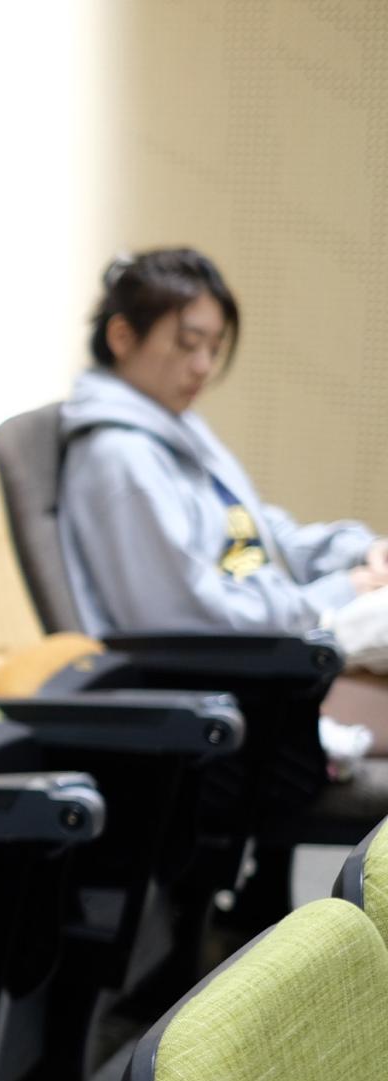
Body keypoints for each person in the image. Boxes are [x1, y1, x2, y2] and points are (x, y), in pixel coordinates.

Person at [59, 248, 388, 753]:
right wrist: (337, 594)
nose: (204, 367)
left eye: (214, 348)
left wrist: (356, 553)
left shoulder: (176, 424)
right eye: (188, 344)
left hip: (277, 633)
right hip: (242, 675)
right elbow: (187, 618)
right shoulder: (122, 459)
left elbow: (258, 530)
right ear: (122, 337)